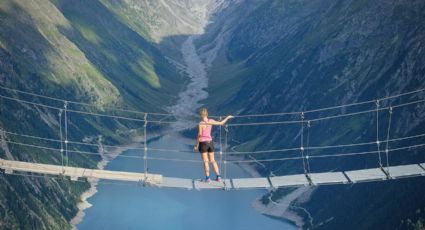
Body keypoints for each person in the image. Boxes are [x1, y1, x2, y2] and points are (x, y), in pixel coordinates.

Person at [194, 108, 233, 182]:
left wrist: (196, 145)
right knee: (213, 160)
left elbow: (199, 135)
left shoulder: (201, 123)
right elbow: (221, 123)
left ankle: (208, 178)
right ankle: (218, 177)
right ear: (207, 114)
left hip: (203, 143)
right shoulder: (211, 121)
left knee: (206, 161)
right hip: (210, 143)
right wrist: (228, 117)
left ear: (200, 115)